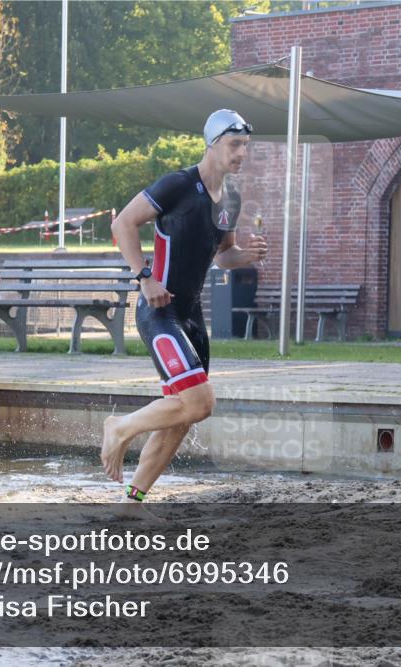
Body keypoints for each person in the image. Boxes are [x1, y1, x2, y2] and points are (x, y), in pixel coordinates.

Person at [101, 109, 267, 504]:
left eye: (245, 146)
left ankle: (131, 503)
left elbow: (222, 255)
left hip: (192, 317)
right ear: (212, 144)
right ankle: (119, 427)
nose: (241, 153)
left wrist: (243, 257)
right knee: (200, 402)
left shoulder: (231, 199)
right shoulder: (177, 184)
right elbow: (123, 223)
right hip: (160, 311)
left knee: (185, 411)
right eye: (234, 145)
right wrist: (144, 278)